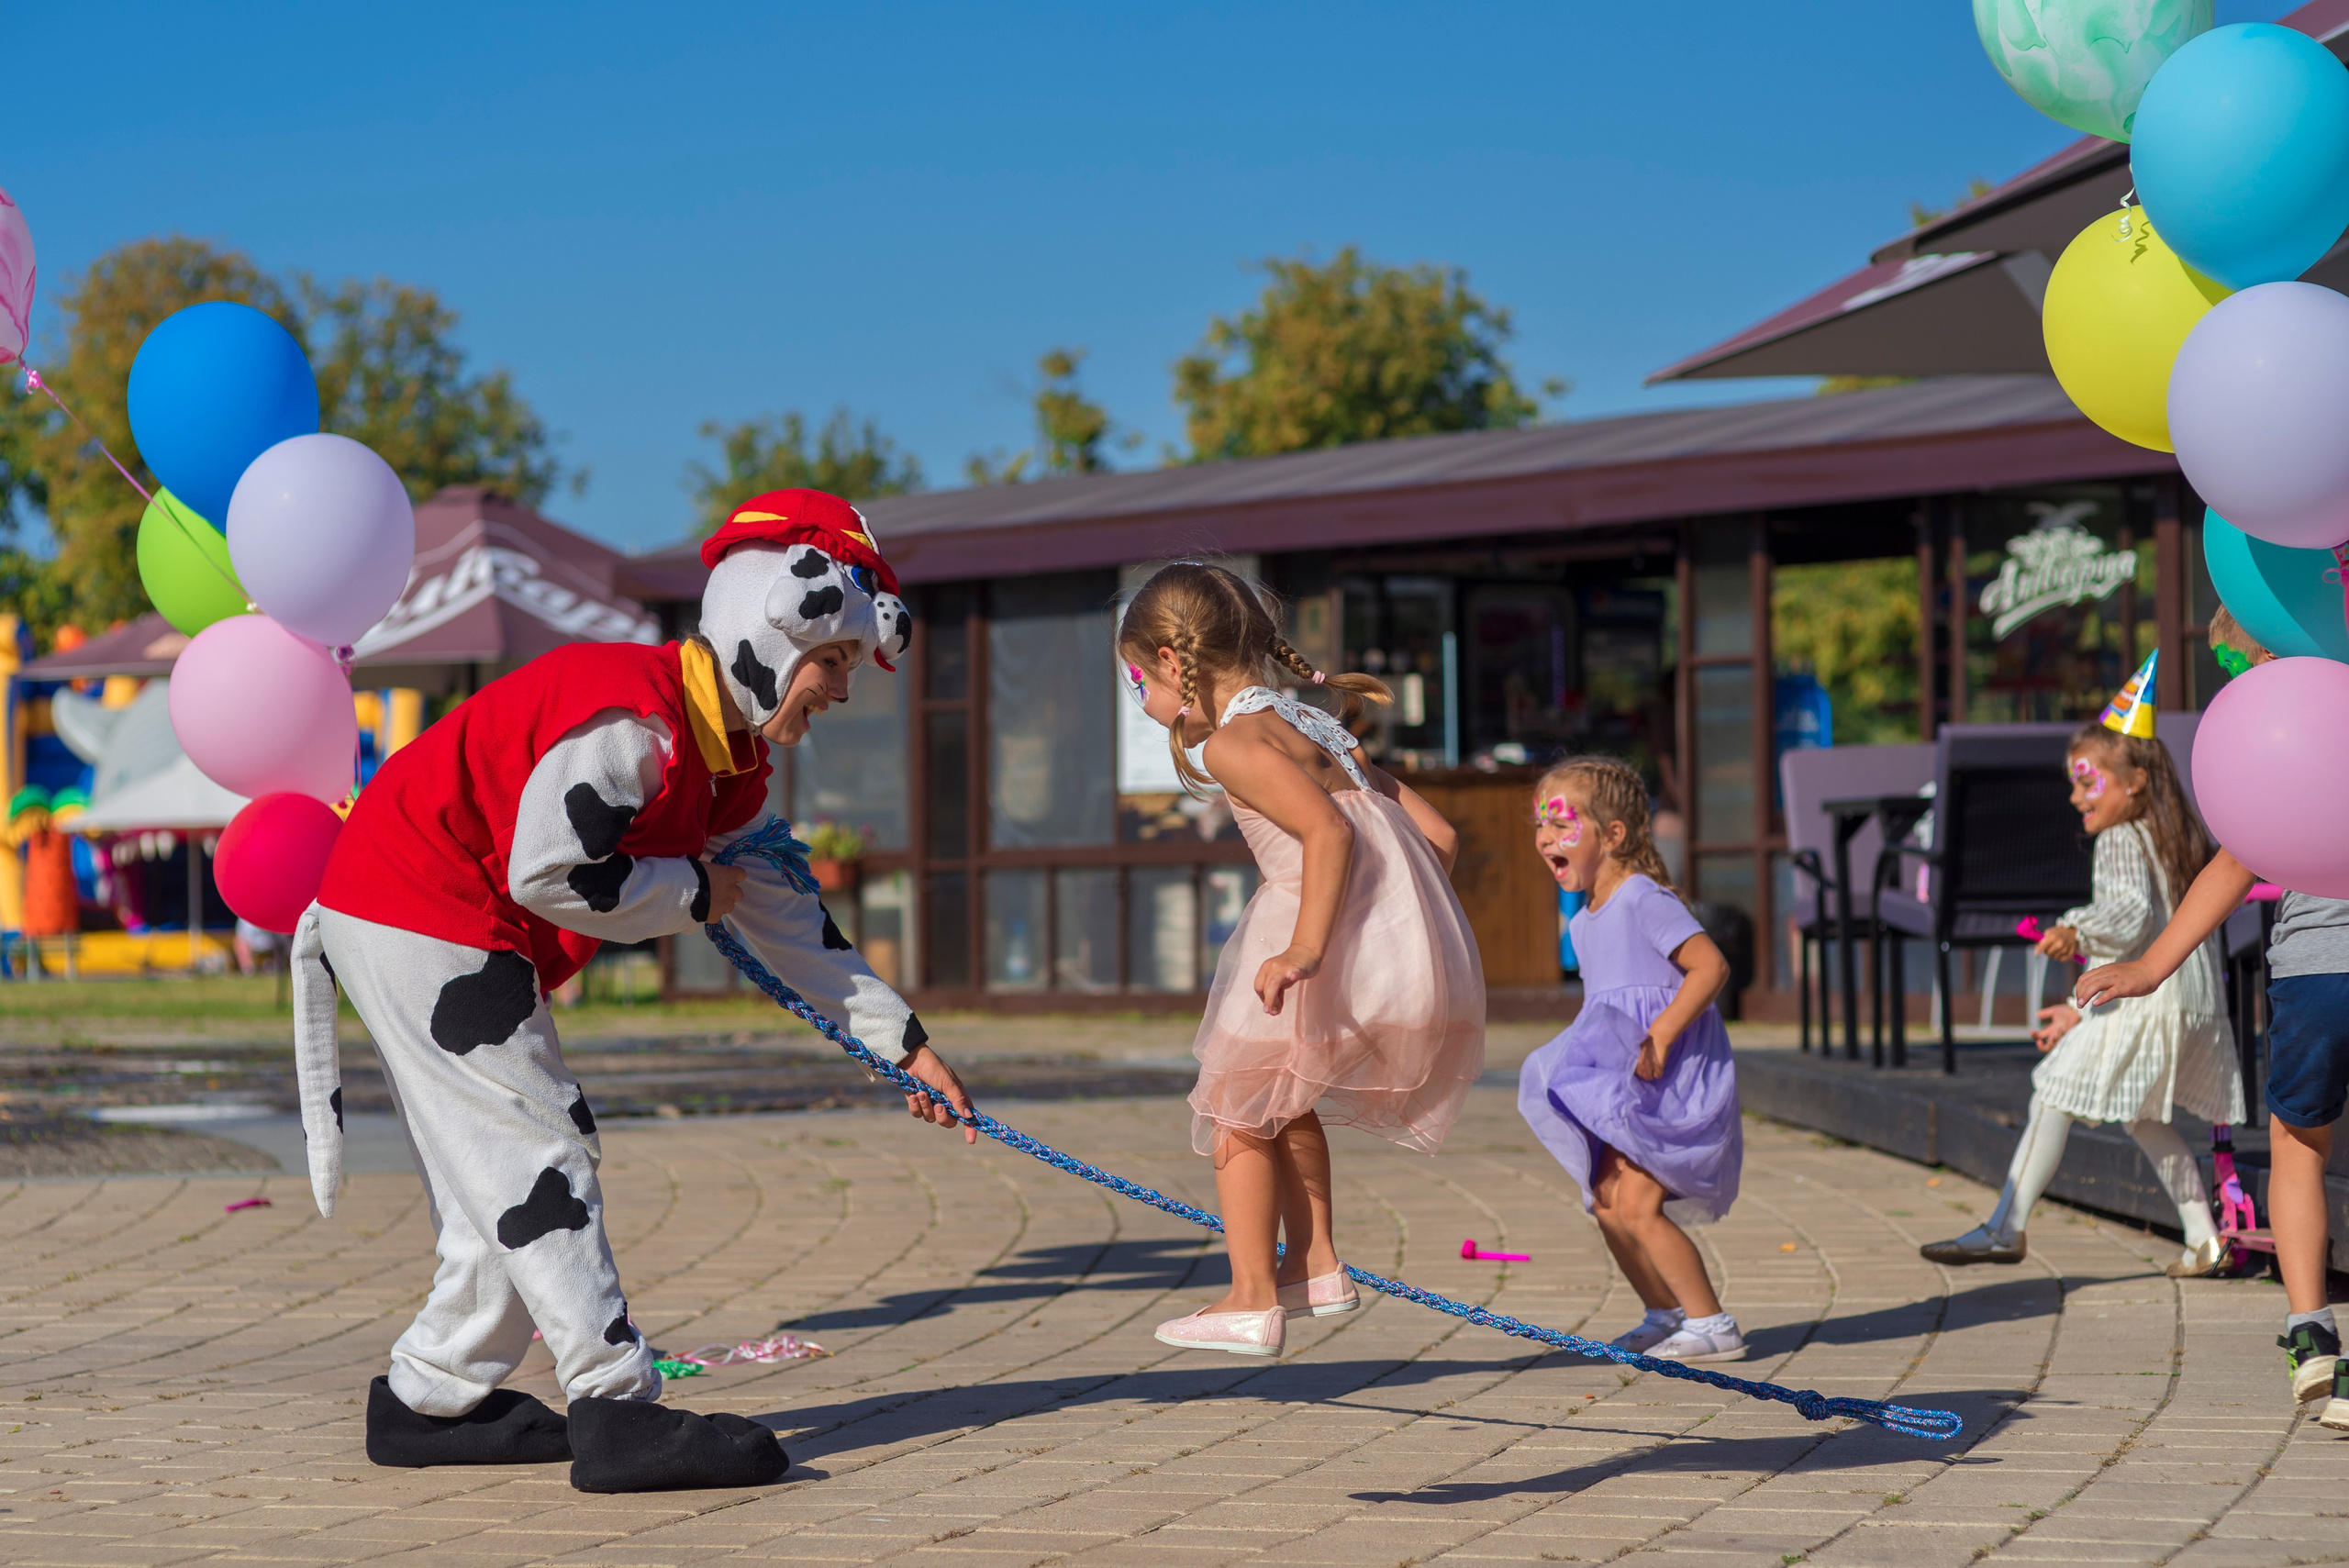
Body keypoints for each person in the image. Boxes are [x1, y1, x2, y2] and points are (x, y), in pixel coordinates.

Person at [288, 490, 979, 1491]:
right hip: (413, 902)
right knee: (541, 1150)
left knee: (508, 1170)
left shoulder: (731, 767)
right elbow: (547, 869)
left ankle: (430, 1395)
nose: (839, 688)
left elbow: (789, 919)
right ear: (764, 629)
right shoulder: (636, 720)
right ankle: (615, 1406)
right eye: (829, 660)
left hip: (421, 910)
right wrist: (697, 887)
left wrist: (902, 1044)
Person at [1118, 562, 1484, 1358]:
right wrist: (1387, 934)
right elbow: (1440, 838)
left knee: (1233, 1108)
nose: (1141, 700)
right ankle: (1315, 1263)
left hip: (1295, 939)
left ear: (1175, 664)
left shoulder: (1234, 743)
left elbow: (1330, 833)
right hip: (1359, 946)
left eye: (1136, 680)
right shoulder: (1318, 728)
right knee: (1282, 1103)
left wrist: (1311, 946)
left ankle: (1251, 1295)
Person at [2077, 611, 2348, 1434]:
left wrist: (2150, 965)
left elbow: (2234, 860)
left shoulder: (2290, 730)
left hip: (2319, 964)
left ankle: (2314, 1338)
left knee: (2299, 1144)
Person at [1920, 652, 2243, 1276]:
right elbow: (2146, 922)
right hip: (2187, 995)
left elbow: (2125, 915)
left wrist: (2075, 928)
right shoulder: (2171, 837)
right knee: (2142, 1118)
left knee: (2051, 1092)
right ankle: (2203, 1236)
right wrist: (2075, 1008)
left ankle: (2004, 1227)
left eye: (2087, 781)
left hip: (2152, 997)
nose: (2075, 797)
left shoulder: (2121, 837)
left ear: (2134, 781)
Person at [1517, 758, 1744, 1362]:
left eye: (1560, 823)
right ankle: (1664, 1312)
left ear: (1613, 834)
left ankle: (1712, 1321)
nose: (1545, 837)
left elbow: (1710, 966)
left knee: (1639, 1204)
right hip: (1623, 1078)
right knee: (1608, 1202)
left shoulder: (1643, 897)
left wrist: (1665, 1029)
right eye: (1539, 824)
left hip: (1668, 1074)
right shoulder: (1585, 919)